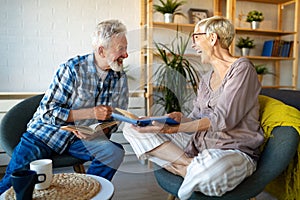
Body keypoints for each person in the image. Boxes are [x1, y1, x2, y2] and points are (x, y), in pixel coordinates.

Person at [123, 16, 264, 199]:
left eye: (196, 37)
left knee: (211, 169)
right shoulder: (206, 80)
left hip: (233, 150)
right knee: (133, 129)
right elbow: (196, 117)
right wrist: (173, 119)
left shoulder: (242, 69)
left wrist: (174, 128)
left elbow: (223, 120)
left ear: (212, 38)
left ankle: (186, 169)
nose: (193, 44)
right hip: (199, 148)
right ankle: (189, 167)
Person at [0, 19, 129, 194]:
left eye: (125, 48)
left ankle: (87, 193)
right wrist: (91, 112)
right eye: (120, 49)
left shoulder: (120, 78)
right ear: (101, 50)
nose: (126, 54)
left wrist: (98, 132)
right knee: (11, 185)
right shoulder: (73, 69)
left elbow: (115, 119)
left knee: (113, 152)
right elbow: (48, 112)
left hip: (79, 141)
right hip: (44, 135)